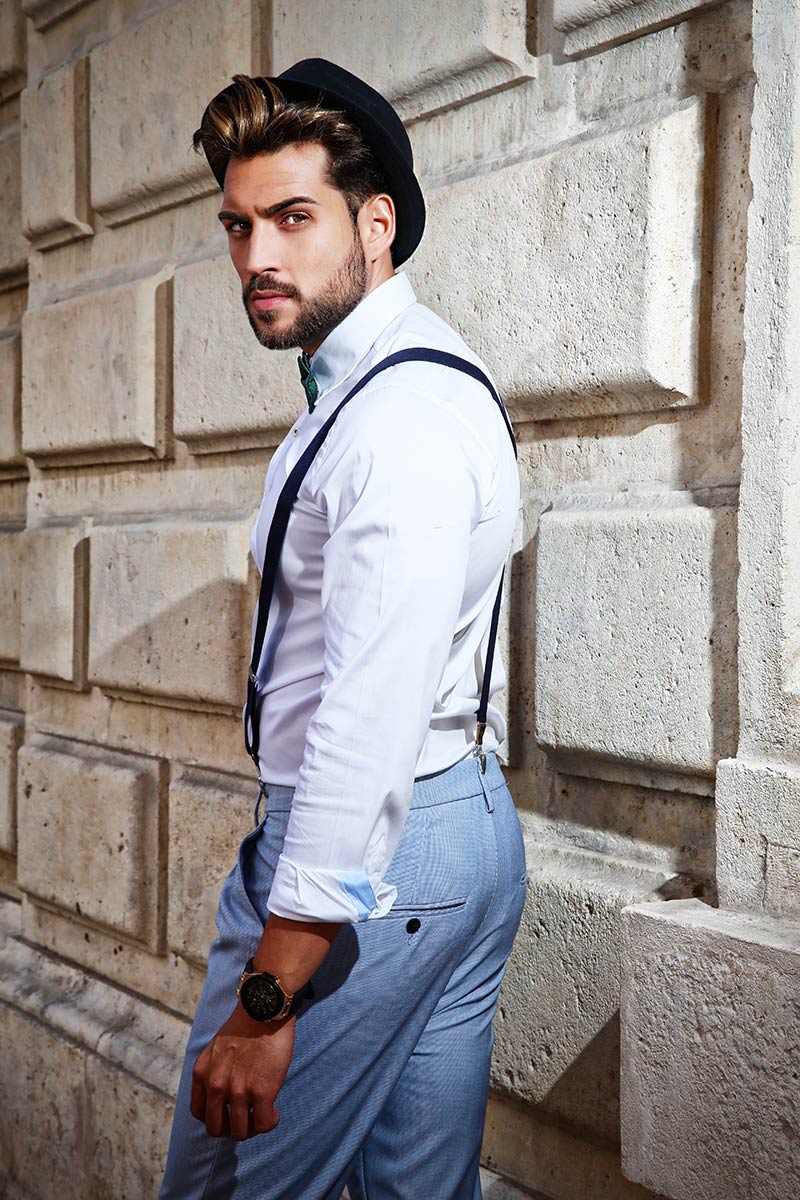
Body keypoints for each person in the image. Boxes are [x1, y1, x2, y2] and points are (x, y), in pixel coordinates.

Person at [158, 58, 526, 1200]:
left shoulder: (394, 421)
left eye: (292, 218)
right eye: (237, 226)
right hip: (451, 829)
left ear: (376, 224)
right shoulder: (392, 387)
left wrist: (268, 1001)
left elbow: (364, 727)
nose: (256, 257)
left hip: (370, 857)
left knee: (232, 1186)